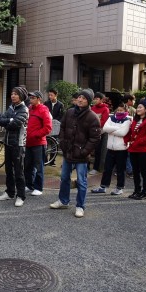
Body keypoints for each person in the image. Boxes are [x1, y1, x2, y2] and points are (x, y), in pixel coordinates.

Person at [50, 88, 100, 217]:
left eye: (83, 98)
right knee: (64, 178)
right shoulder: (70, 112)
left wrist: (84, 151)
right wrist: (62, 143)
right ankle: (63, 201)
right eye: (79, 97)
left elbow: (95, 138)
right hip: (68, 151)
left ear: (88, 101)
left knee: (81, 181)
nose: (80, 99)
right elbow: (62, 127)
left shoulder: (92, 117)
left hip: (81, 156)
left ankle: (80, 206)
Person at [0, 86, 29, 208]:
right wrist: (9, 120)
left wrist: (8, 121)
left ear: (21, 96)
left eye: (15, 94)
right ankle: (9, 192)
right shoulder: (11, 107)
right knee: (8, 170)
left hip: (18, 144)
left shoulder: (24, 109)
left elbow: (15, 124)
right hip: (8, 143)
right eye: (12, 93)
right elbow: (0, 120)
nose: (13, 96)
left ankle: (21, 195)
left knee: (19, 171)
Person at [91, 102, 131, 196]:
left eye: (121, 110)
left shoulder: (127, 120)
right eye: (118, 110)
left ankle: (119, 188)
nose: (119, 112)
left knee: (120, 169)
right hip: (110, 148)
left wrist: (111, 130)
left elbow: (123, 133)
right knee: (107, 168)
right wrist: (117, 128)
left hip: (121, 149)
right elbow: (105, 128)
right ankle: (103, 186)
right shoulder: (111, 117)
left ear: (126, 111)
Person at [124, 98, 146, 200]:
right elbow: (131, 133)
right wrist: (127, 140)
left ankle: (144, 192)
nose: (138, 109)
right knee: (135, 172)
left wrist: (137, 142)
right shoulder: (135, 119)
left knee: (144, 172)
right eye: (137, 107)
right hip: (133, 149)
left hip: (144, 150)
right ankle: (136, 190)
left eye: (140, 107)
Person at [24, 91, 52, 196]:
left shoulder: (44, 109)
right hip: (28, 142)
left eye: (33, 98)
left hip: (39, 142)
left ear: (39, 99)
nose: (31, 100)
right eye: (30, 98)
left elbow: (48, 127)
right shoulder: (29, 109)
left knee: (38, 166)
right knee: (28, 165)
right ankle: (29, 184)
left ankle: (38, 187)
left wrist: (35, 135)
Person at [90, 92, 110, 174]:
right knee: (90, 149)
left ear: (102, 100)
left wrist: (94, 125)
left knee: (98, 150)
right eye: (94, 98)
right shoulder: (92, 108)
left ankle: (96, 168)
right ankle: (87, 166)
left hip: (100, 132)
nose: (95, 100)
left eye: (97, 99)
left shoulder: (105, 109)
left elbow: (103, 121)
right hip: (91, 130)